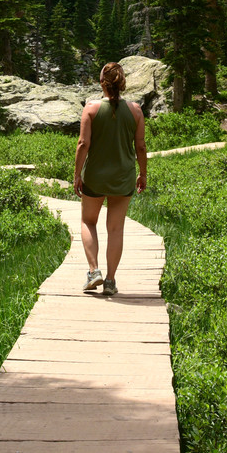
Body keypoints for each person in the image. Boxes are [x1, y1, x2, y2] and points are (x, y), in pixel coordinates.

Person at [73, 62, 147, 297]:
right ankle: (110, 281)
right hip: (123, 178)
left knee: (88, 222)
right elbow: (141, 146)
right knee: (115, 228)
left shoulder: (91, 108)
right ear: (122, 83)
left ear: (101, 82)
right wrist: (143, 173)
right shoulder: (136, 110)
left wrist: (77, 174)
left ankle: (94, 270)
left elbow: (83, 144)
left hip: (95, 176)